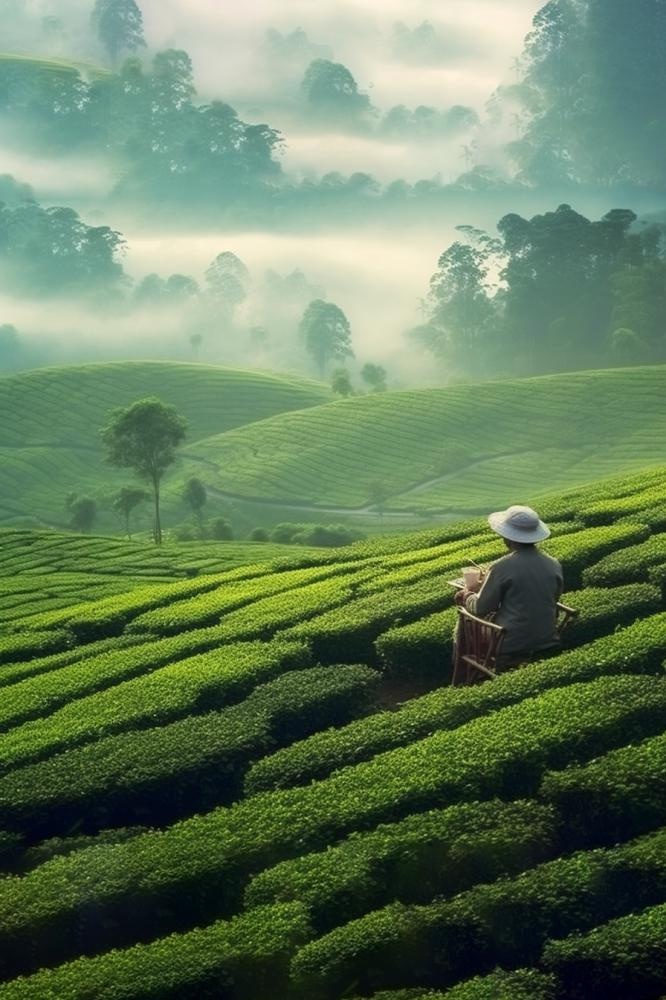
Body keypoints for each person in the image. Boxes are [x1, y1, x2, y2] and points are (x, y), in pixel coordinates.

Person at [455, 504, 563, 669]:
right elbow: (552, 598)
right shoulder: (553, 564)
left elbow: (481, 608)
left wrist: (466, 595)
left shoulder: (502, 567)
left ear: (508, 538)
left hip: (511, 642)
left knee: (465, 623)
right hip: (547, 637)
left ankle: (461, 676)